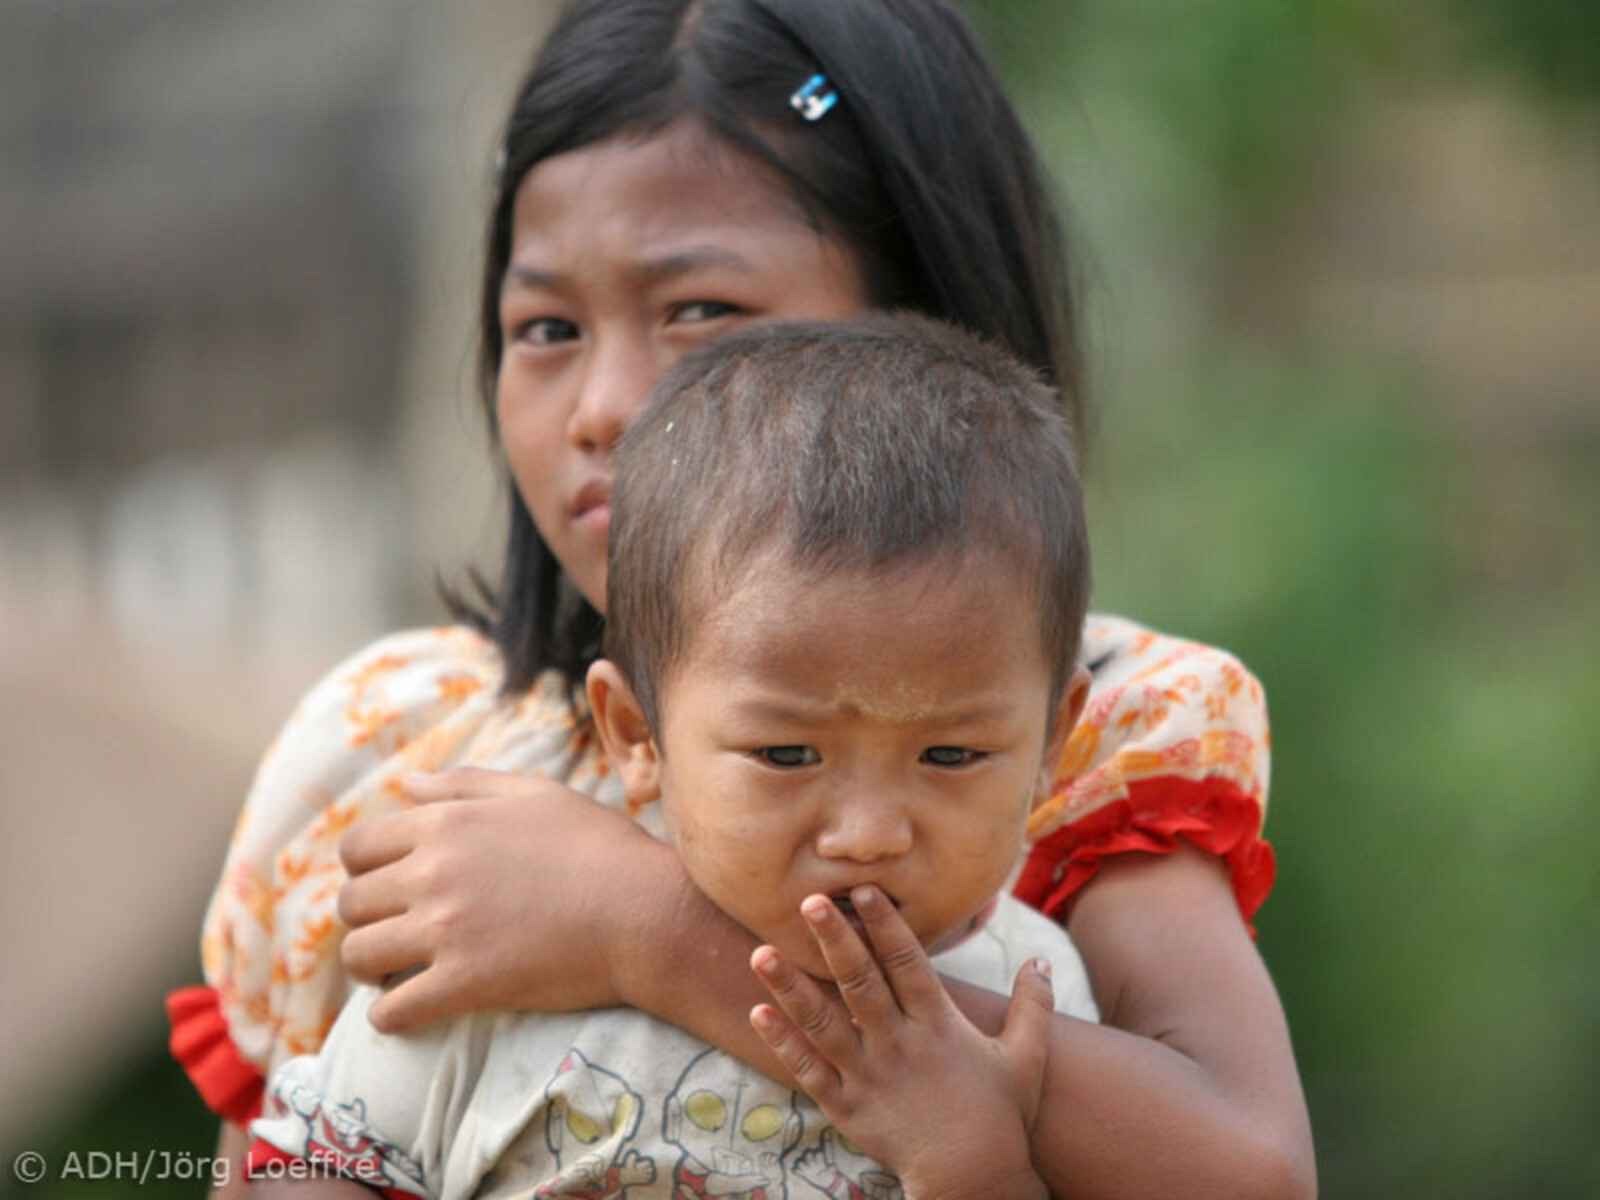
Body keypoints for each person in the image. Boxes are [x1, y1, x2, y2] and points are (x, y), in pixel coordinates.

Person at [167, 2, 1314, 1196]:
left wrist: (644, 930)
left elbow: (1249, 1168)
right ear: (631, 733)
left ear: (916, 325)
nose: (605, 404)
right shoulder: (393, 744)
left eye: (702, 314)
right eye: (547, 326)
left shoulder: (1092, 729)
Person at [246, 315, 1103, 1200]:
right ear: (636, 736)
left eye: (952, 753)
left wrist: (978, 1162)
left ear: (1052, 741)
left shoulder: (1030, 998)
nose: (869, 834)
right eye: (785, 752)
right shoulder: (516, 942)